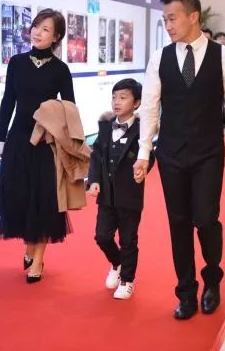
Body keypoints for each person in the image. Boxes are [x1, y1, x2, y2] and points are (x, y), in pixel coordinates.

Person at [133, 0, 225, 320]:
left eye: (172, 18)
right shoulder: (160, 58)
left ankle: (212, 279)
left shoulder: (223, 56)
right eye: (164, 20)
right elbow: (149, 107)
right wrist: (144, 152)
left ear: (193, 16)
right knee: (179, 223)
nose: (168, 25)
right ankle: (185, 291)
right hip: (170, 153)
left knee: (206, 219)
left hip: (208, 152)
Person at [0, 8, 73, 283]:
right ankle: (29, 244)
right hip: (18, 140)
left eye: (45, 29)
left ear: (56, 37)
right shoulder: (16, 62)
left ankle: (38, 259)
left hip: (45, 143)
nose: (37, 32)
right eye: (36, 26)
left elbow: (70, 109)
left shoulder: (61, 70)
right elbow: (8, 102)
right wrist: (0, 138)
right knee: (21, 197)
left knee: (44, 201)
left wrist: (64, 140)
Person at [87, 79, 154, 300]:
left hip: (130, 195)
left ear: (136, 103)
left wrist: (144, 169)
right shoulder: (106, 127)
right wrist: (93, 180)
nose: (117, 102)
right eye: (114, 97)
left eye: (123, 97)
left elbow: (149, 155)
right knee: (102, 236)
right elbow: (97, 156)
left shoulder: (142, 130)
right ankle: (117, 263)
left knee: (128, 240)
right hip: (106, 195)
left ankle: (127, 280)